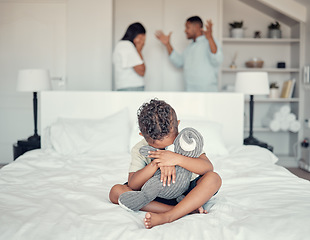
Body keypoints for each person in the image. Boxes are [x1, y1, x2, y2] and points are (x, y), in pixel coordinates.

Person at [109, 99, 222, 229]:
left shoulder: (186, 141)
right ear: (143, 136)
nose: (166, 148)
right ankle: (180, 209)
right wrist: (156, 163)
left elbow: (207, 167)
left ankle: (169, 216)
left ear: (178, 125)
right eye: (157, 146)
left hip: (185, 193)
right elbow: (133, 184)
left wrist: (176, 159)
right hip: (153, 193)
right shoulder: (139, 149)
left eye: (169, 144)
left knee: (214, 178)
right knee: (116, 192)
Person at [155, 16, 223, 92]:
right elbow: (179, 62)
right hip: (190, 92)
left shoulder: (211, 42)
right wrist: (167, 44)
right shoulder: (189, 48)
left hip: (208, 92)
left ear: (196, 27)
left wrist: (210, 38)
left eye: (187, 27)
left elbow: (217, 59)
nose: (185, 31)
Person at [113, 22, 146, 91]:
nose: (143, 42)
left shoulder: (121, 45)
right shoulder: (127, 45)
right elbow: (141, 71)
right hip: (132, 88)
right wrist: (139, 50)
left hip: (126, 87)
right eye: (142, 38)